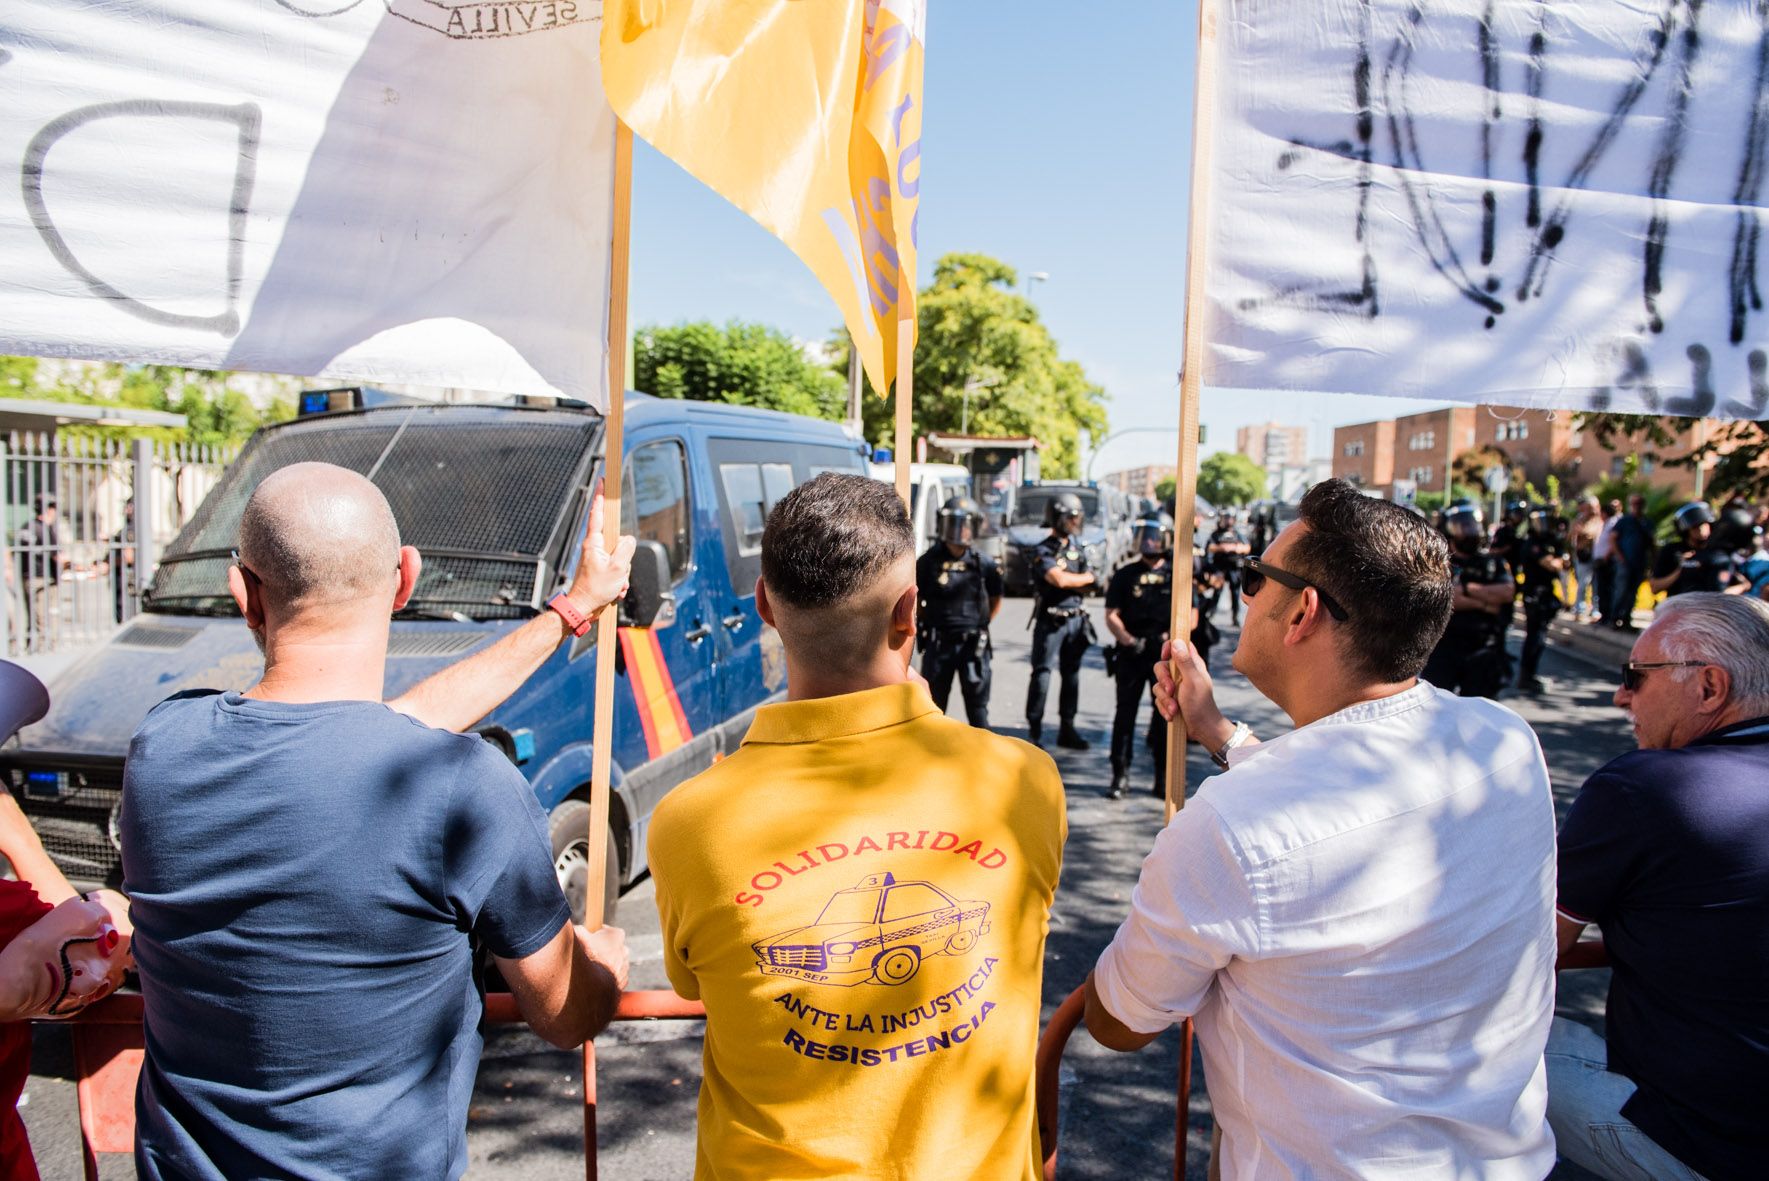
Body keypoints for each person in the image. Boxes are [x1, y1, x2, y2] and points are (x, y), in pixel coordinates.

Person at [120, 462, 634, 1180]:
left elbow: (370, 728)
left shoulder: (161, 746)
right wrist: (601, 971)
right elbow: (564, 1015)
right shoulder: (466, 788)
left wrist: (570, 610)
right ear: (405, 580)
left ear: (244, 593)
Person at [1084, 479, 1557, 1180]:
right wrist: (1220, 733)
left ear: (1302, 612)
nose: (1245, 596)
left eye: (1256, 579)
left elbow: (1119, 1020)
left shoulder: (1231, 824)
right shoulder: (1504, 741)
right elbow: (1344, 804)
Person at [647, 473, 1066, 1180]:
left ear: (763, 606)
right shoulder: (1023, 780)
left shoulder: (688, 820)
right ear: (910, 612)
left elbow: (692, 987)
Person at [1551, 593, 1769, 1181]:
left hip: (1701, 1145)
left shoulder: (1645, 787)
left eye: (1636, 676)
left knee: (1451, 1036)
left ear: (1710, 687)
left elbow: (1530, 951)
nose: (1621, 696)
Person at [914, 494, 1002, 728]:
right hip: (939, 644)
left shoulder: (984, 563)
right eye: (954, 523)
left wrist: (980, 623)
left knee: (978, 711)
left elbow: (996, 598)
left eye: (965, 524)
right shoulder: (927, 562)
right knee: (933, 710)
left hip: (972, 646)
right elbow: (916, 599)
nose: (960, 530)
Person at [1104, 515, 1174, 801]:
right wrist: (1129, 641)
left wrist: (1167, 638)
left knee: (1164, 718)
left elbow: (1191, 615)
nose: (1149, 542)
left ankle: (1162, 777)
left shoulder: (1177, 575)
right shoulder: (1125, 574)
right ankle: (1120, 774)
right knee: (1125, 715)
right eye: (1144, 536)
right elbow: (1111, 614)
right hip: (1131, 652)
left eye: (1154, 537)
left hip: (1163, 654)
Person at [1024, 490, 1094, 749]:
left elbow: (1093, 580)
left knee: (1071, 676)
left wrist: (1078, 580)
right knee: (1042, 674)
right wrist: (1080, 580)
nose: (1075, 522)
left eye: (1077, 518)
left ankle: (1067, 728)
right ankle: (1034, 731)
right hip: (1051, 621)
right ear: (1057, 518)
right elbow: (1059, 579)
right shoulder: (1042, 550)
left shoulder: (1078, 549)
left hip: (1076, 620)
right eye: (1070, 517)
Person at [1421, 505, 1514, 697]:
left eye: (1472, 525)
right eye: (1463, 526)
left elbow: (1506, 593)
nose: (1470, 531)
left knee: (1480, 706)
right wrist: (1485, 603)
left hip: (1483, 647)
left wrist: (1466, 589)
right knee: (1436, 704)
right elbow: (1447, 598)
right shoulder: (1440, 562)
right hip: (1445, 647)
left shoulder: (1492, 562)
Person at [1515, 509, 1567, 694]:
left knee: (1539, 637)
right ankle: (1526, 676)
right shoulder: (1533, 544)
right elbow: (1552, 564)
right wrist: (1559, 559)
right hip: (1535, 595)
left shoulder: (1549, 543)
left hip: (1544, 594)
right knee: (1535, 637)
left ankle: (1529, 674)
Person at [1649, 501, 1738, 598]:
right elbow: (1655, 587)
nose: (1701, 530)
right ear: (1686, 529)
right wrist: (1681, 570)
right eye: (1695, 526)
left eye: (1704, 524)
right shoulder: (1672, 551)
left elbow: (1725, 588)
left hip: (1710, 603)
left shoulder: (1719, 552)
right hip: (1680, 602)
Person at [13, 496, 68, 653]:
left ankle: (32, 645)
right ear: (49, 510)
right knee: (44, 616)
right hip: (43, 578)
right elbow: (57, 556)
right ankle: (44, 649)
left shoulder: (26, 526)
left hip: (28, 576)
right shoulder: (44, 529)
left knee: (33, 614)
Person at [1610, 493, 1654, 629]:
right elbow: (1612, 538)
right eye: (1634, 504)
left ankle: (1626, 619)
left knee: (1633, 593)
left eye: (1639, 504)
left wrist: (1653, 562)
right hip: (1624, 563)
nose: (1637, 507)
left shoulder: (1647, 522)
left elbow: (1651, 543)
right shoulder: (1624, 521)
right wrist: (1620, 557)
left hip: (1639, 563)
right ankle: (1614, 618)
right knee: (1621, 590)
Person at [1205, 511, 1250, 623]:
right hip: (1220, 567)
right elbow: (1210, 547)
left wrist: (1235, 548)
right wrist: (1222, 547)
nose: (1228, 521)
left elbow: (1247, 547)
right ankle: (1210, 615)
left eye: (1230, 518)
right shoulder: (1216, 534)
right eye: (1226, 518)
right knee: (1217, 591)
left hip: (1234, 568)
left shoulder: (1237, 534)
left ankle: (1235, 616)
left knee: (1235, 593)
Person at [1570, 496, 1602, 620]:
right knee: (1583, 583)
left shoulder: (1600, 520)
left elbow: (1591, 533)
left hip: (1598, 556)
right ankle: (1579, 609)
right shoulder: (1580, 519)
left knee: (1596, 585)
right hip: (1583, 556)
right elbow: (1573, 534)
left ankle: (1595, 609)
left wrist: (1584, 533)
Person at [1591, 498, 1622, 625]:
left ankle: (1608, 615)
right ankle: (1603, 615)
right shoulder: (1604, 523)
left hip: (1607, 561)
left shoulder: (1613, 523)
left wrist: (1606, 556)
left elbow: (1612, 542)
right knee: (1601, 589)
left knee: (1607, 589)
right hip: (1600, 560)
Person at [110, 497, 136, 624]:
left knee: (125, 606)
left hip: (126, 573)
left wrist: (114, 561)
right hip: (120, 573)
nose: (126, 509)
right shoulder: (125, 529)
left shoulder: (133, 528)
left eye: (129, 506)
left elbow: (129, 557)